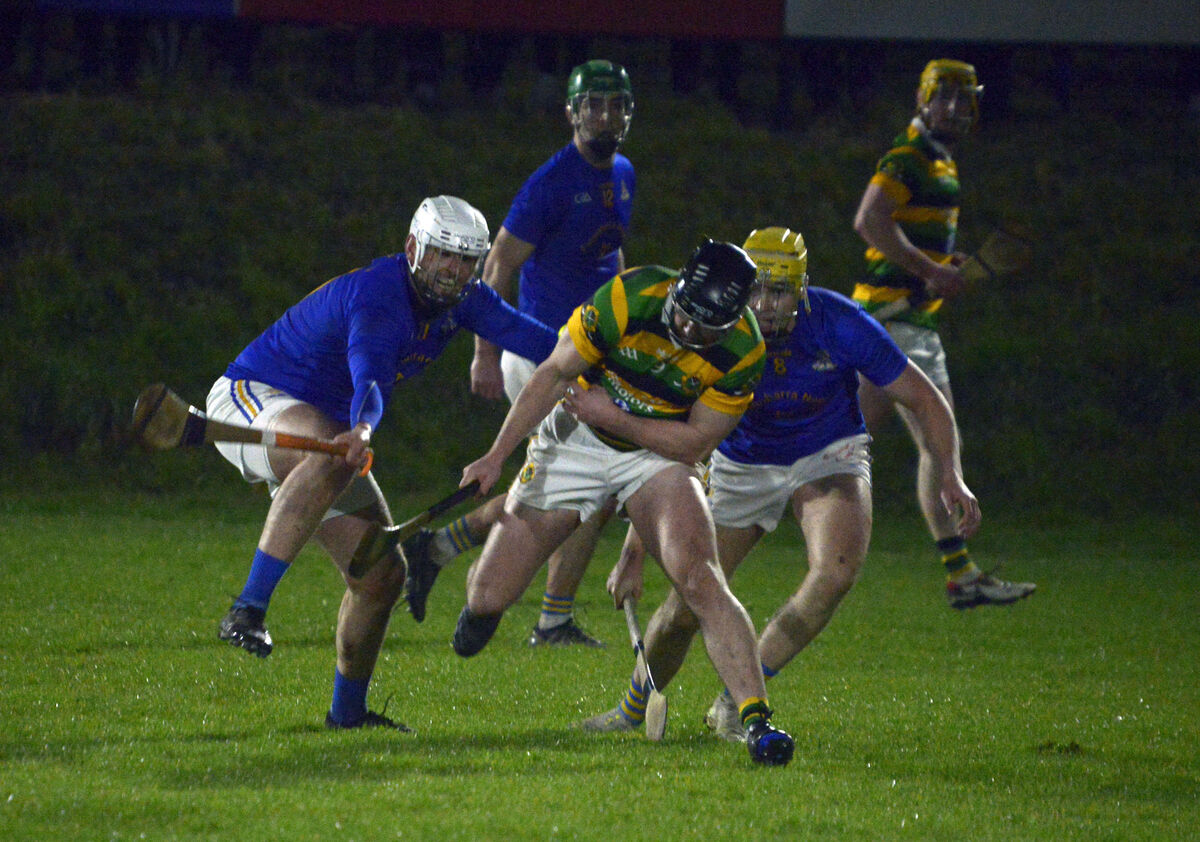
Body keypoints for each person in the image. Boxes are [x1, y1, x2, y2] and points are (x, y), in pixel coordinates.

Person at [579, 227, 981, 743]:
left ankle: (736, 699)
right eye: (757, 291)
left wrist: (949, 472)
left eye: (781, 291)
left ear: (803, 288)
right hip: (740, 463)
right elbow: (674, 449)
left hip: (827, 453)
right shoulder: (711, 333)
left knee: (836, 571)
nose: (767, 306)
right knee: (686, 605)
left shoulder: (838, 322)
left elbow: (924, 398)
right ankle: (633, 709)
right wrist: (635, 552)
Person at [208, 196, 557, 730]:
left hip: (329, 425)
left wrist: (608, 362)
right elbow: (370, 376)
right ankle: (248, 609)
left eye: (466, 259)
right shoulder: (380, 297)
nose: (454, 270)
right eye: (443, 254)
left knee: (381, 575)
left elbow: (538, 340)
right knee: (330, 455)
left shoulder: (466, 300)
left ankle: (346, 717)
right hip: (252, 396)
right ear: (414, 247)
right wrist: (363, 430)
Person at [452, 240, 795, 766]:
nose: (689, 334)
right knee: (488, 597)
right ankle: (475, 595)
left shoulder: (743, 352)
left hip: (656, 452)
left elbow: (693, 445)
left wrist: (616, 418)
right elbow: (552, 373)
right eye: (685, 318)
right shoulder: (629, 296)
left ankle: (756, 720)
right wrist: (497, 455)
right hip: (577, 436)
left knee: (702, 577)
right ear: (677, 290)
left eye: (706, 330)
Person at [401, 59, 636, 648]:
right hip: (544, 352)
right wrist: (485, 353)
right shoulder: (554, 181)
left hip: (590, 354)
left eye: (615, 105)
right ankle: (549, 619)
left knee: (570, 485)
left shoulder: (624, 172)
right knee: (585, 483)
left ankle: (438, 546)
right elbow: (499, 262)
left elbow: (611, 257)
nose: (604, 116)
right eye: (593, 105)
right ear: (572, 113)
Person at [850, 59, 1035, 609]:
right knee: (934, 439)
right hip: (893, 319)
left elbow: (904, 234)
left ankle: (961, 574)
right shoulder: (908, 156)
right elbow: (870, 220)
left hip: (910, 320)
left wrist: (937, 262)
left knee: (846, 440)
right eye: (943, 96)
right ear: (922, 99)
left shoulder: (940, 161)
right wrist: (930, 271)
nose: (952, 108)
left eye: (963, 98)